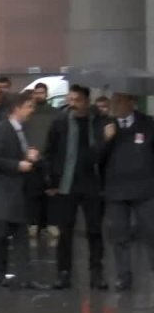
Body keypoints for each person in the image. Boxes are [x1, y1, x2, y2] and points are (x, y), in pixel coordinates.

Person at [43, 84, 107, 289]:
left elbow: (102, 154)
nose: (72, 104)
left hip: (92, 183)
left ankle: (96, 272)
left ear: (87, 102)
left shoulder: (98, 122)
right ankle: (64, 273)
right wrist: (51, 182)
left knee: (94, 230)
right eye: (70, 100)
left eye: (77, 100)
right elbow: (50, 152)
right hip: (66, 183)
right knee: (65, 231)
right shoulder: (60, 122)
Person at [96, 93, 154, 291]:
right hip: (116, 189)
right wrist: (106, 140)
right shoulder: (106, 125)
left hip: (145, 188)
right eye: (113, 101)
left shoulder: (147, 123)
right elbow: (95, 157)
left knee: (150, 230)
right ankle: (124, 276)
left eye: (120, 101)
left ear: (131, 102)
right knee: (119, 234)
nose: (116, 105)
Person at [0, 92, 41, 288]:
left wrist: (30, 157)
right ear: (17, 108)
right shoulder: (1, 129)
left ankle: (23, 277)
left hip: (18, 194)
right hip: (2, 194)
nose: (31, 111)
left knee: (21, 236)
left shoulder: (23, 130)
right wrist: (17, 165)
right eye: (29, 107)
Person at [23, 83, 56, 239]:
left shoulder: (54, 114)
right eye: (37, 93)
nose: (39, 95)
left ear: (46, 93)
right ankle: (34, 224)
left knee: (49, 194)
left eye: (41, 92)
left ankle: (48, 224)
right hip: (31, 158)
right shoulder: (29, 114)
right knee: (32, 194)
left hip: (48, 158)